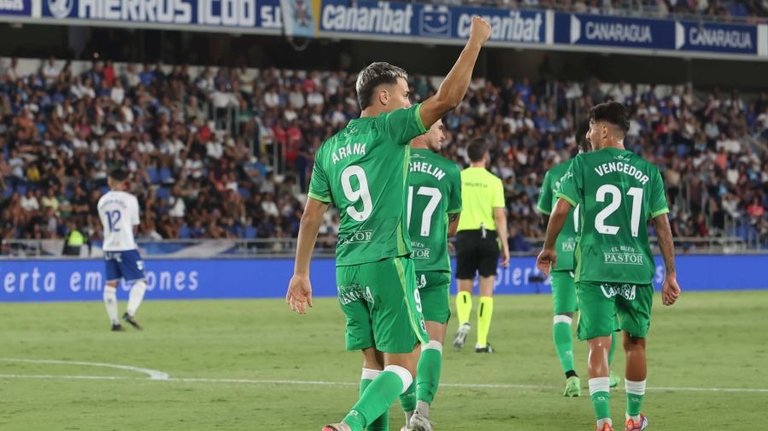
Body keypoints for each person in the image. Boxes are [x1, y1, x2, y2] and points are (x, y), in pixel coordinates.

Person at [285, 17, 491, 431]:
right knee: (407, 365)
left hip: (346, 267)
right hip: (386, 261)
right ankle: (350, 424)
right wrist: (474, 43)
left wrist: (300, 273)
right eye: (404, 93)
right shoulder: (390, 127)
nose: (408, 100)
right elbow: (448, 98)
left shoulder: (330, 148)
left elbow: (311, 216)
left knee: (373, 365)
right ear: (383, 97)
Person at [536, 101, 681, 431]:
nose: (588, 135)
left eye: (590, 129)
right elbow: (662, 226)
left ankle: (603, 422)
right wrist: (671, 273)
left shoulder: (583, 165)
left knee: (597, 343)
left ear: (603, 130)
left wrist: (548, 248)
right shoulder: (648, 171)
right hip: (636, 269)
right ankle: (633, 417)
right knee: (636, 343)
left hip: (595, 267)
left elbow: (559, 210)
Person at [536, 122, 620, 397]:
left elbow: (548, 214)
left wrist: (551, 244)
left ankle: (571, 375)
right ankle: (603, 373)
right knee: (606, 317)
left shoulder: (555, 174)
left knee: (562, 315)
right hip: (597, 255)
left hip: (562, 253)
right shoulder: (606, 174)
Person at [398, 119, 461, 431]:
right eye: (438, 127)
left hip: (398, 267)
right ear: (422, 129)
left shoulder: (391, 163)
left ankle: (409, 417)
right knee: (433, 344)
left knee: (401, 348)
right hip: (434, 266)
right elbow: (453, 223)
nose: (443, 134)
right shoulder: (450, 171)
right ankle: (421, 414)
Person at [451, 138, 509, 353]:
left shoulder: (459, 178)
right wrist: (505, 246)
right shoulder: (494, 181)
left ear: (469, 157)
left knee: (463, 287)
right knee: (486, 292)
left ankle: (464, 321)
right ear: (485, 157)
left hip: (464, 236)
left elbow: (451, 211)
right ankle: (481, 342)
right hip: (487, 237)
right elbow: (500, 216)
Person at [97, 168, 147, 332]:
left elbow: (105, 224)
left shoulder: (101, 201)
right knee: (141, 281)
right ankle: (130, 313)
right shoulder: (131, 200)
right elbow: (134, 226)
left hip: (109, 246)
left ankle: (114, 323)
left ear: (110, 182)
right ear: (124, 182)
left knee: (111, 284)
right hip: (126, 245)